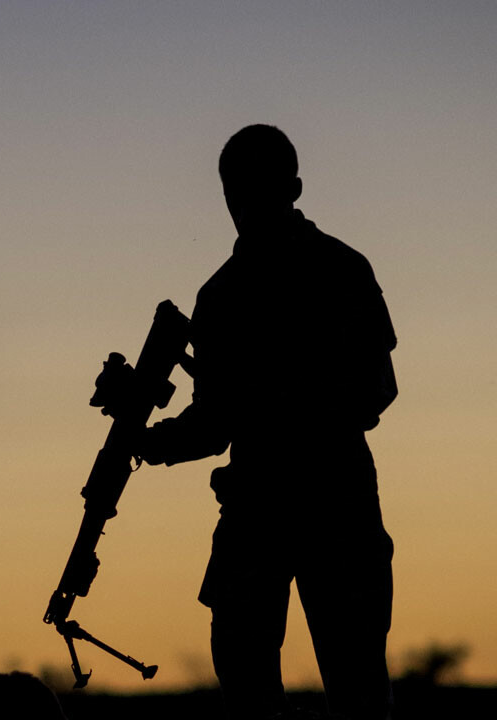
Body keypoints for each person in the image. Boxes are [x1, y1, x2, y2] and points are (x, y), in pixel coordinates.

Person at [139, 125, 397, 720]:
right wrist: (153, 442)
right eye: (238, 191)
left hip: (327, 503)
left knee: (352, 682)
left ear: (294, 188)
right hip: (275, 508)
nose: (244, 205)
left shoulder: (332, 272)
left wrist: (285, 411)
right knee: (250, 671)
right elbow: (212, 423)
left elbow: (375, 390)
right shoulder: (226, 294)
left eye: (255, 190)